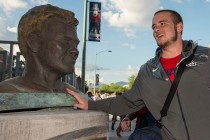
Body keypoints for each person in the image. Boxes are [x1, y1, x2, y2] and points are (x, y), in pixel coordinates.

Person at [66, 9, 210, 140]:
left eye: (163, 23)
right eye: (154, 27)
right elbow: (128, 102)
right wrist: (90, 104)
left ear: (179, 27)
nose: (157, 29)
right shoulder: (147, 71)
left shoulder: (205, 57)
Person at [0, 4, 80, 93]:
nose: (75, 50)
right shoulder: (6, 92)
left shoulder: (77, 96)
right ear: (34, 43)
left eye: (76, 44)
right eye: (65, 42)